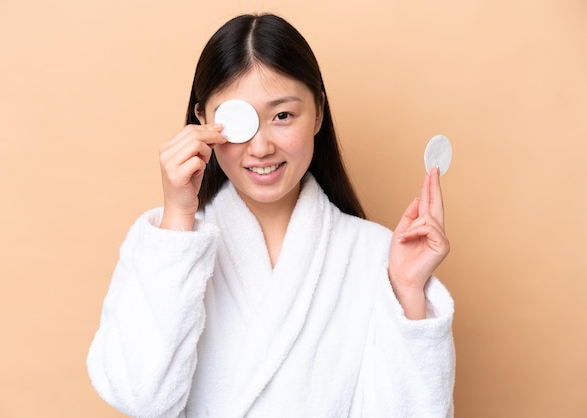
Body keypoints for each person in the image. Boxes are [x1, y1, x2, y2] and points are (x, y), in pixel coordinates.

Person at [87, 13, 455, 418]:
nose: (260, 147)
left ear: (317, 113)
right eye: (236, 121)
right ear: (202, 121)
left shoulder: (377, 255)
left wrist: (405, 290)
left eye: (282, 116)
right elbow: (141, 399)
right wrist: (178, 219)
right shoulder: (163, 247)